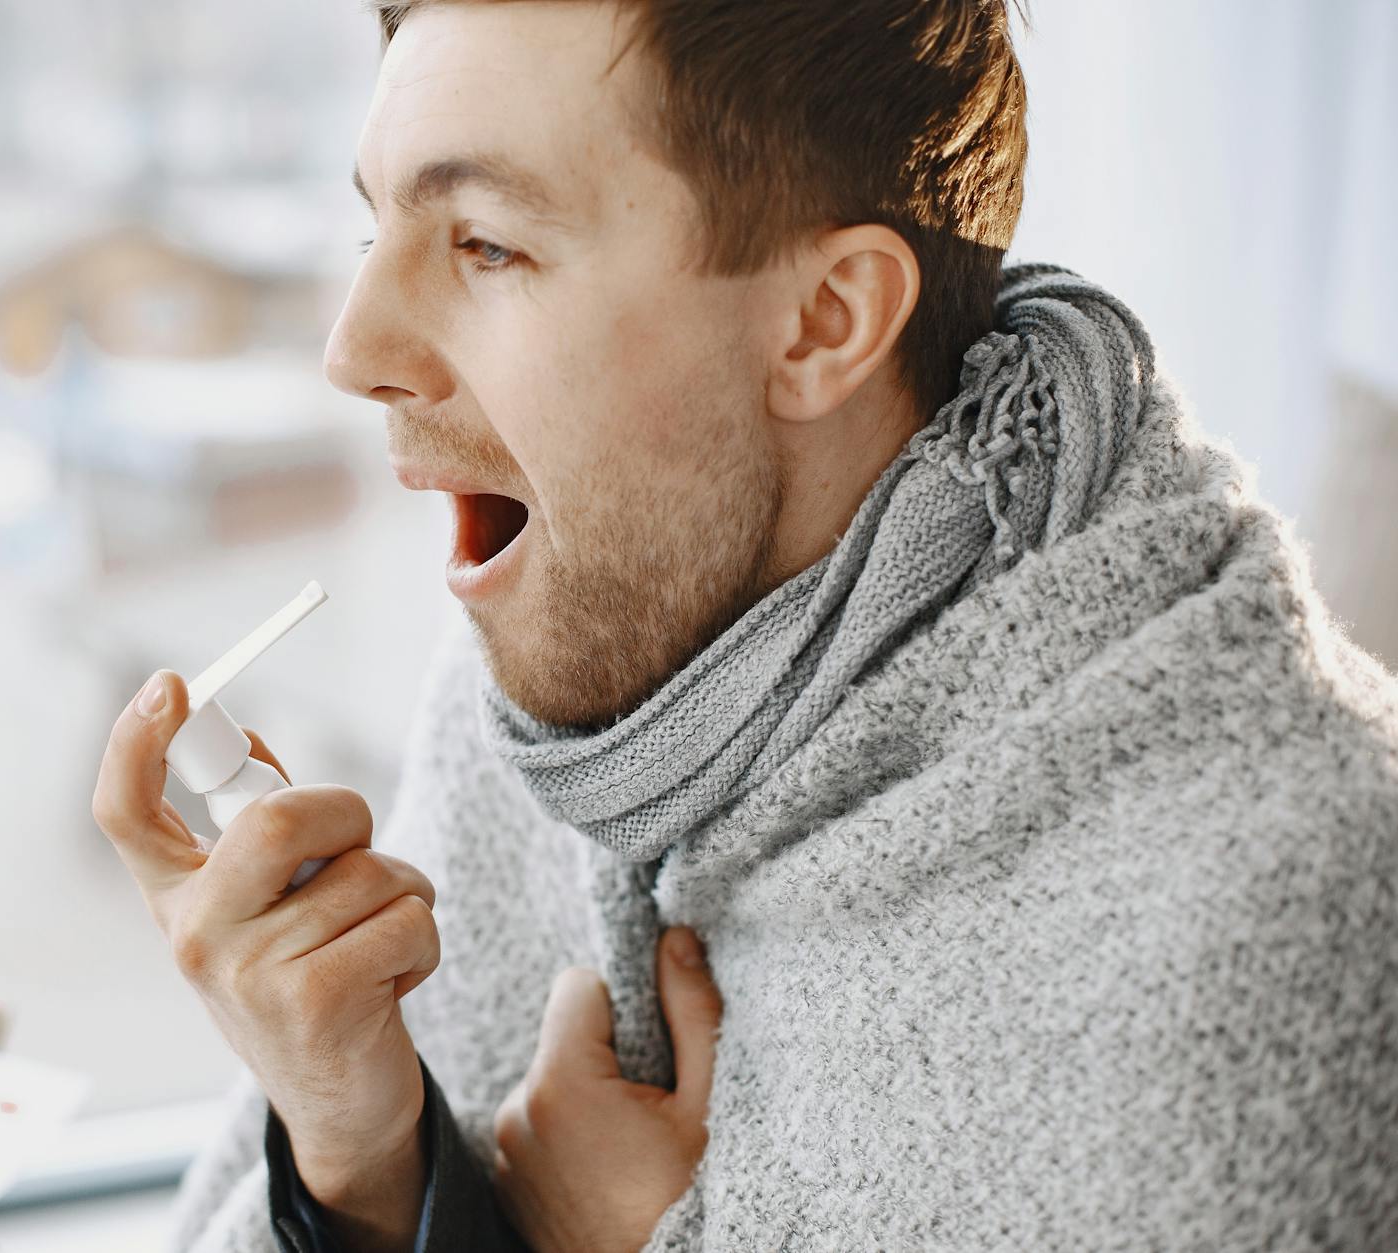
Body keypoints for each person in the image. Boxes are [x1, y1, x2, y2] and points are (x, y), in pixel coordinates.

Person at [91, 1, 1398, 1249]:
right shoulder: (561, 659)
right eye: (374, 230)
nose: (354, 344)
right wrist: (361, 1159)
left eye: (486, 243)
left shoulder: (1269, 921)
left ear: (826, 321)